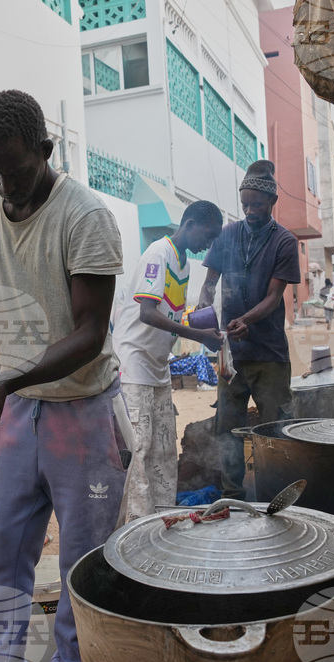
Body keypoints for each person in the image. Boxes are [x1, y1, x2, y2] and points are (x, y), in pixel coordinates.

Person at [0, 89, 129, 662]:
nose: (5, 187)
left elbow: (88, 334)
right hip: (21, 408)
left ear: (46, 151)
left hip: (85, 411)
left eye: (17, 171)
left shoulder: (86, 217)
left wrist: (6, 381)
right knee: (5, 549)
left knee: (83, 563)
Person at [111, 201, 224, 521]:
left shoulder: (184, 263)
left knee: (163, 448)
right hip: (134, 363)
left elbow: (169, 312)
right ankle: (137, 526)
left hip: (158, 365)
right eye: (208, 234)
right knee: (139, 448)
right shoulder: (158, 254)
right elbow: (147, 313)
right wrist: (197, 335)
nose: (209, 244)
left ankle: (162, 516)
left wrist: (203, 327)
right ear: (189, 224)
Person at [196, 160, 301, 501]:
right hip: (232, 355)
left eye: (257, 204)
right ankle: (233, 495)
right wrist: (203, 306)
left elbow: (274, 297)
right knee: (227, 429)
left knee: (274, 431)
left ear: (272, 203)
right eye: (245, 205)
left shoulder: (284, 241)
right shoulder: (228, 234)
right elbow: (209, 281)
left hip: (269, 354)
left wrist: (247, 321)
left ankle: (277, 494)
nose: (250, 210)